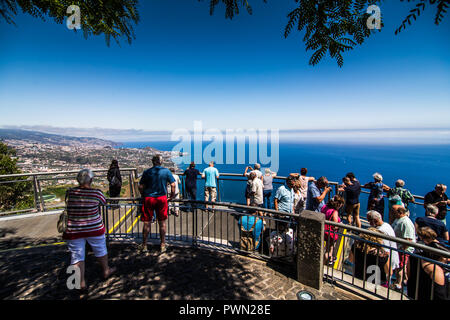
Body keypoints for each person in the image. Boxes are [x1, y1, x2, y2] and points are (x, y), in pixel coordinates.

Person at [63, 169, 116, 291]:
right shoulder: (96, 193)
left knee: (76, 256)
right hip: (94, 228)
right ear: (91, 180)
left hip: (74, 229)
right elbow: (103, 202)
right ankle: (106, 270)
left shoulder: (70, 192)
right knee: (101, 249)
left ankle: (80, 282)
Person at [138, 155, 176, 253]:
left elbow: (141, 186)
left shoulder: (147, 172)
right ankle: (162, 245)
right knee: (162, 222)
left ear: (152, 162)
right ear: (161, 162)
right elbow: (173, 185)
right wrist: (171, 196)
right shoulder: (166, 171)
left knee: (147, 222)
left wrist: (143, 196)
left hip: (149, 198)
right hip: (162, 198)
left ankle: (144, 245)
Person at [407, 227, 449, 300]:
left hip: (435, 271)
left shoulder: (435, 245)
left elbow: (447, 255)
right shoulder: (435, 244)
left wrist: (441, 262)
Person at [367, 210, 400, 285]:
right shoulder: (387, 225)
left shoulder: (381, 231)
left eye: (369, 221)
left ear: (374, 220)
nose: (369, 223)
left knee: (384, 281)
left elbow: (385, 251)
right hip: (390, 257)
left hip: (386, 261)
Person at [391, 206, 416, 291]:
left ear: (400, 212)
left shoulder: (406, 223)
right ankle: (404, 280)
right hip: (398, 247)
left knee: (400, 266)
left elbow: (408, 239)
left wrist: (403, 250)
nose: (393, 214)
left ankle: (399, 284)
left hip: (404, 249)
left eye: (394, 212)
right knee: (401, 266)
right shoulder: (398, 219)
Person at [322, 195, 345, 265]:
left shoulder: (324, 207)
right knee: (329, 250)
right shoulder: (334, 212)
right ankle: (323, 265)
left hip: (324, 230)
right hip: (331, 233)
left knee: (325, 248)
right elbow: (335, 226)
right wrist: (340, 225)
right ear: (338, 204)